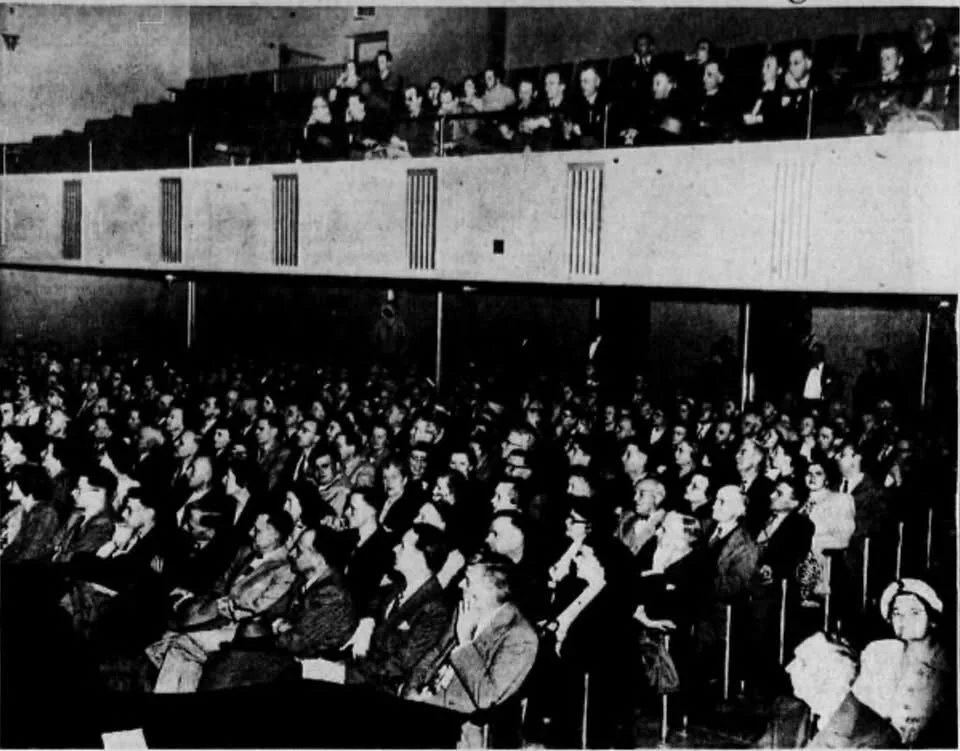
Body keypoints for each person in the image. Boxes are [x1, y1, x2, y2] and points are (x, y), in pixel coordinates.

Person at [404, 552, 539, 748]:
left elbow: (486, 697)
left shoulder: (520, 636)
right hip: (426, 703)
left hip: (459, 724)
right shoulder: (466, 609)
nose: (460, 585)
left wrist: (466, 642)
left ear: (490, 590)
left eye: (467, 581)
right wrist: (410, 690)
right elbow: (434, 653)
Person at [200, 525, 357, 690]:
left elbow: (298, 642)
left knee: (226, 668)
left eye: (299, 550)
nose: (292, 553)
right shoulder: (303, 580)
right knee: (222, 662)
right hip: (282, 652)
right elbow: (274, 613)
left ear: (318, 558)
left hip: (304, 666)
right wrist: (280, 626)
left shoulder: (331, 593)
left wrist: (278, 627)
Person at [852, 579, 952, 746]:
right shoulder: (883, 654)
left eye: (914, 612)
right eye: (897, 613)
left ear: (932, 619)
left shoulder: (944, 665)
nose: (904, 620)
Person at [760, 632, 902, 748]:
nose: (789, 668)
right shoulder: (789, 715)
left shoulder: (876, 737)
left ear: (833, 675)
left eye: (803, 662)